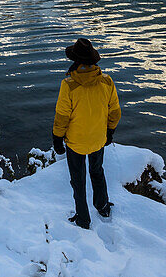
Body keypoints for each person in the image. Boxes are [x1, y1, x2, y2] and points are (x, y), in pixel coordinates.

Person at [52, 37, 120, 229]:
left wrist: (57, 139)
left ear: (76, 61)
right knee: (97, 172)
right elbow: (115, 112)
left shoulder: (69, 84)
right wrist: (110, 131)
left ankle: (83, 219)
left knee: (78, 179)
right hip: (99, 139)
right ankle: (103, 206)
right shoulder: (107, 82)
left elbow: (62, 117)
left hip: (75, 142)